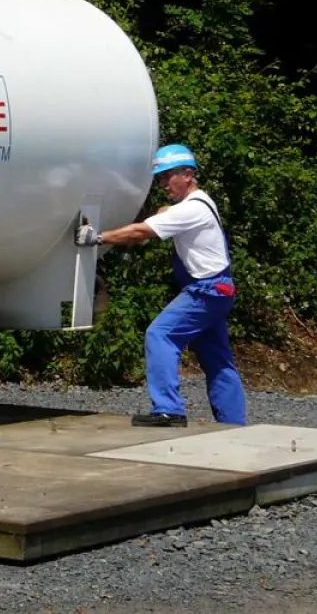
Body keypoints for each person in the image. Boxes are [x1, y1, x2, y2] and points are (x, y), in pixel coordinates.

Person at [74, 143, 247, 427]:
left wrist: (97, 237)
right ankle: (234, 425)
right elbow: (172, 213)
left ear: (188, 175)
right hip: (219, 290)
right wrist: (166, 209)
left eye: (168, 176)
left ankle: (169, 410)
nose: (163, 183)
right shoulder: (202, 202)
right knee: (218, 360)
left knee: (160, 334)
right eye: (161, 178)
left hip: (205, 291)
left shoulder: (191, 210)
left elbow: (142, 231)